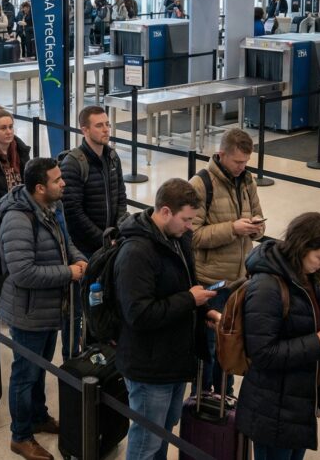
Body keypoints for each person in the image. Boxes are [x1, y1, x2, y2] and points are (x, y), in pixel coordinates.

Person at [114, 178, 221, 460]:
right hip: (149, 367)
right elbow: (138, 313)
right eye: (185, 219)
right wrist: (190, 300)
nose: (190, 226)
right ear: (164, 212)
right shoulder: (136, 252)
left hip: (175, 359)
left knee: (164, 432)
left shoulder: (178, 239)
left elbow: (187, 286)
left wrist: (203, 311)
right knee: (146, 442)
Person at [237, 213, 320, 460]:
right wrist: (317, 342)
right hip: (272, 410)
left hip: (297, 402)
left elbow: (301, 315)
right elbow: (263, 354)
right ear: (302, 248)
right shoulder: (266, 288)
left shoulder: (306, 276)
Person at [0, 157, 87, 460]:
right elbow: (22, 272)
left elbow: (66, 243)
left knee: (40, 369)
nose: (63, 183)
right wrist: (68, 273)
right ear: (39, 187)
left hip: (51, 308)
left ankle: (38, 416)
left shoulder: (52, 207)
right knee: (24, 374)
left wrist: (79, 259)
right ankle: (20, 436)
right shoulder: (17, 219)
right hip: (29, 311)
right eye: (57, 180)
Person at [189, 128, 264, 395]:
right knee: (210, 348)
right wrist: (232, 228)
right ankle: (202, 400)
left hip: (240, 282)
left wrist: (256, 228)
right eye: (237, 162)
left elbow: (259, 218)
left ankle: (225, 397)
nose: (242, 167)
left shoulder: (247, 180)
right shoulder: (200, 185)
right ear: (221, 155)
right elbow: (193, 235)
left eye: (245, 162)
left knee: (231, 346)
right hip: (212, 282)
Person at [60, 105, 127, 259]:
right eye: (99, 125)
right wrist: (102, 239)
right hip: (86, 248)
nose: (106, 129)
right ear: (85, 130)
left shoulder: (112, 157)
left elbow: (121, 196)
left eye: (107, 124)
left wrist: (117, 229)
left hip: (111, 241)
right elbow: (73, 212)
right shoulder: (73, 163)